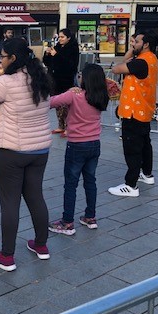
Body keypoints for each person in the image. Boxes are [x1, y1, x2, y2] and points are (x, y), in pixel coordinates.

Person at [0, 38, 53, 271]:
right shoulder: (40, 78)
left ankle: (7, 256)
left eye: (3, 57)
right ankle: (41, 245)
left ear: (13, 59)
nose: (0, 60)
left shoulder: (6, 83)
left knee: (10, 203)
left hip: (11, 151)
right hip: (39, 150)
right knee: (35, 197)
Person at [48, 64, 109, 235]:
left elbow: (51, 102)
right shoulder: (101, 96)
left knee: (71, 184)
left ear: (86, 79)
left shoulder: (74, 96)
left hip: (76, 145)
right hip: (94, 144)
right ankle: (90, 216)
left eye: (81, 75)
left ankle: (67, 222)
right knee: (90, 181)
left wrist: (69, 91)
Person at [108, 31, 158, 198]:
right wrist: (132, 48)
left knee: (132, 149)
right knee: (145, 145)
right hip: (144, 109)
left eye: (135, 42)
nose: (133, 44)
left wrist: (130, 53)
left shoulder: (141, 62)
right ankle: (147, 174)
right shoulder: (151, 58)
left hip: (133, 112)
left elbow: (117, 68)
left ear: (145, 44)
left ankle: (131, 185)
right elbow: (126, 62)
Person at [43, 28, 80, 136]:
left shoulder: (72, 48)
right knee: (58, 102)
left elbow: (70, 64)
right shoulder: (58, 47)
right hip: (55, 79)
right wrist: (47, 54)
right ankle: (61, 125)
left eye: (62, 37)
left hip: (66, 79)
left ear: (69, 38)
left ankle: (69, 127)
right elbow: (48, 62)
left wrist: (56, 55)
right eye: (59, 37)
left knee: (66, 103)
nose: (60, 39)